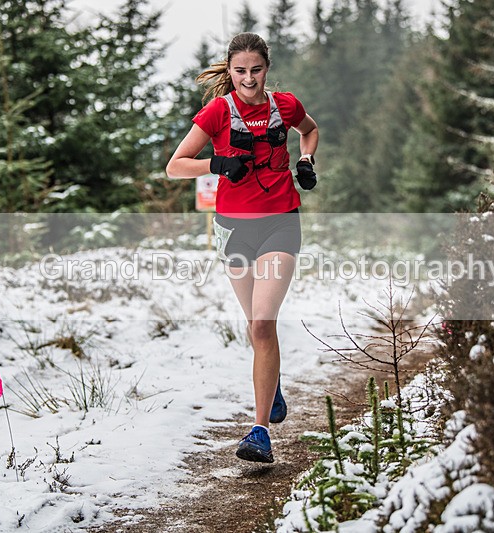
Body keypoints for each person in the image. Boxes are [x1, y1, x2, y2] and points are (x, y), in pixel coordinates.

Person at [166, 32, 319, 463]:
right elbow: (175, 166)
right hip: (233, 230)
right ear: (229, 70)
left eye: (256, 70)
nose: (248, 79)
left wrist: (306, 161)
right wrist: (217, 164)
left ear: (266, 69)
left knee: (262, 326)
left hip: (280, 224)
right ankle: (271, 384)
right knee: (255, 325)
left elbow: (310, 131)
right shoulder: (217, 111)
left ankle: (259, 432)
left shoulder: (284, 105)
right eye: (240, 71)